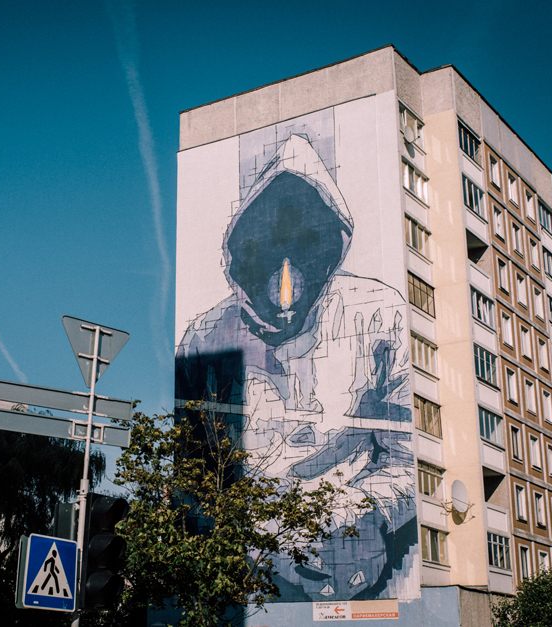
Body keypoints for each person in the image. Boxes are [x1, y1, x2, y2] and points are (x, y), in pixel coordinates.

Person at [176, 133, 417, 601]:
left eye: (304, 247)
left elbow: (409, 459)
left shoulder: (379, 314)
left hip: (363, 578)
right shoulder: (205, 338)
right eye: (269, 252)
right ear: (243, 253)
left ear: (329, 249)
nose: (285, 283)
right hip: (246, 583)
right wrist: (256, 524)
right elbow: (195, 474)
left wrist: (353, 510)